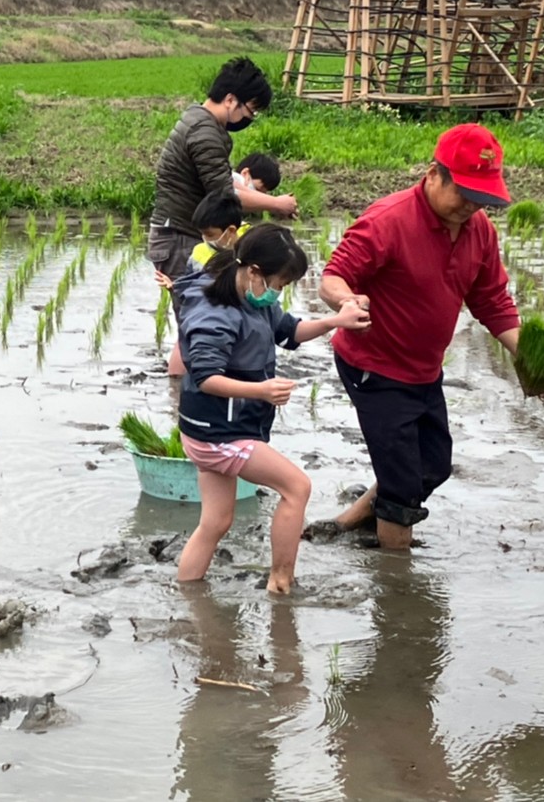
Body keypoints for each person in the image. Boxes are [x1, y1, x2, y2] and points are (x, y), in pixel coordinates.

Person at [316, 123, 520, 551]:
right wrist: (347, 302)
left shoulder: (479, 230)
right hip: (374, 364)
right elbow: (334, 275)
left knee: (433, 466)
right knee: (403, 485)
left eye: (482, 195)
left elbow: (492, 301)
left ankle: (352, 519)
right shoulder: (388, 221)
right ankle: (399, 588)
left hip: (424, 369)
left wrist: (533, 360)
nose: (472, 204)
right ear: (433, 174)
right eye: (464, 191)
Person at [174, 225, 368, 593]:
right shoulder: (215, 312)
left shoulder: (252, 295)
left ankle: (188, 598)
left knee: (215, 522)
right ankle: (281, 582)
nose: (279, 292)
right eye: (278, 282)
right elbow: (205, 377)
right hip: (217, 432)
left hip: (217, 427)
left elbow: (288, 332)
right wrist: (260, 390)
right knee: (297, 487)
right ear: (253, 272)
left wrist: (334, 321)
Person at [149, 57, 291, 377]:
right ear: (230, 100)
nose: (248, 119)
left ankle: (184, 395)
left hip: (181, 233)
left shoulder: (200, 122)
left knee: (195, 318)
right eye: (249, 111)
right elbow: (224, 195)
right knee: (195, 322)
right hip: (180, 236)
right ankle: (183, 398)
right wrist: (275, 203)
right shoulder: (204, 133)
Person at [155, 190, 248, 292]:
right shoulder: (198, 252)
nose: (205, 238)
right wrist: (175, 287)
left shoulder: (253, 248)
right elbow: (191, 286)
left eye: (209, 234)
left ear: (231, 230)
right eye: (202, 234)